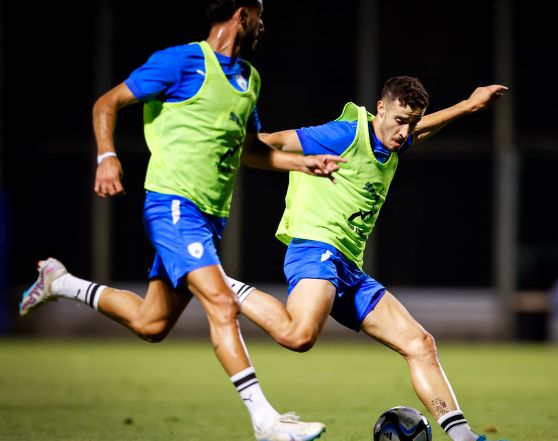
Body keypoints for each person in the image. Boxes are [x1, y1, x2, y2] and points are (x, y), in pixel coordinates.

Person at [18, 1, 341, 439]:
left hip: (207, 219)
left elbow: (250, 151)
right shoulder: (182, 61)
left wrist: (303, 164)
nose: (263, 24)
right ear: (241, 14)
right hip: (173, 206)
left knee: (151, 324)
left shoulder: (249, 79)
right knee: (222, 304)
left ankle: (60, 283)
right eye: (260, 14)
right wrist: (106, 156)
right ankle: (266, 422)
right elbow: (106, 103)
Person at [225, 76, 507, 441]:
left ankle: (465, 438)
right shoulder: (343, 135)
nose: (405, 132)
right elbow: (271, 142)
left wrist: (469, 105)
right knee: (299, 336)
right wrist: (228, 146)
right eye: (400, 121)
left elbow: (421, 130)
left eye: (412, 123)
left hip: (348, 267)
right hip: (316, 248)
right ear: (380, 109)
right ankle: (222, 284)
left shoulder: (395, 139)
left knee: (420, 345)